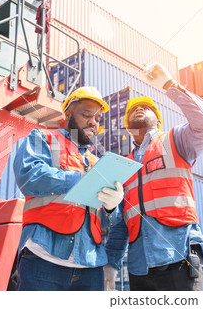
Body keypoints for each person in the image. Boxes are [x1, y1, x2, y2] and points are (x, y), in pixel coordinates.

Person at [104, 63, 203, 291]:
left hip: (179, 256)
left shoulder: (176, 140)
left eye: (146, 107)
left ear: (158, 120)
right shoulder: (122, 166)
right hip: (140, 268)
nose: (138, 109)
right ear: (127, 127)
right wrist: (110, 265)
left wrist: (169, 86)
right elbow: (121, 224)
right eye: (131, 111)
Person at [14, 86, 124, 291]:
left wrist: (111, 207)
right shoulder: (43, 138)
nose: (93, 122)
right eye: (86, 114)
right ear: (68, 113)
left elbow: (107, 220)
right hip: (44, 257)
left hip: (90, 265)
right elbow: (29, 176)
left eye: (98, 118)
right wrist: (81, 179)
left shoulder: (96, 162)